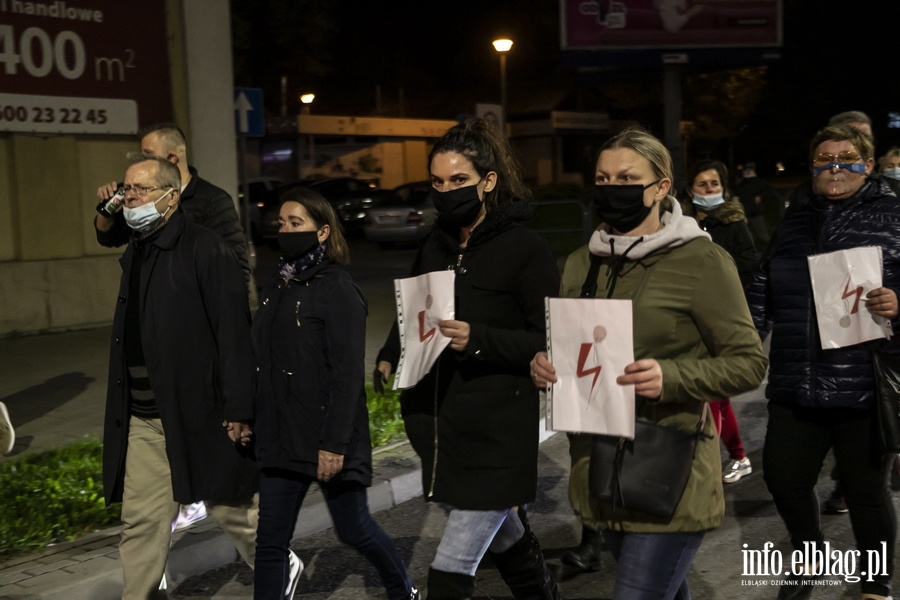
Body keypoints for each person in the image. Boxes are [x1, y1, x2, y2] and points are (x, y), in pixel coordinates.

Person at [531, 128, 767, 600]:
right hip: (600, 465)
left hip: (669, 466)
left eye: (626, 177)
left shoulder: (702, 260)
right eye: (602, 177)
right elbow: (574, 348)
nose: (611, 187)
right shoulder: (581, 262)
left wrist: (671, 377)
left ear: (661, 187)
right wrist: (546, 363)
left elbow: (749, 363)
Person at [373, 119, 561, 599]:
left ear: (489, 181)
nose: (446, 191)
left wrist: (478, 339)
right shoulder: (433, 244)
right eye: (437, 182)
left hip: (498, 430)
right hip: (443, 422)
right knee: (505, 534)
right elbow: (410, 313)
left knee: (450, 570)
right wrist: (389, 355)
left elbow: (546, 339)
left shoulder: (527, 250)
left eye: (458, 181)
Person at [747, 124, 899, 600]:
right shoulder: (794, 217)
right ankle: (809, 557)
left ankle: (876, 583)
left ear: (868, 165)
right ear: (812, 167)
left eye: (847, 158)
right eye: (824, 159)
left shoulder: (894, 213)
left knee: (865, 490)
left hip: (864, 383)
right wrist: (746, 333)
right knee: (783, 478)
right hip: (796, 379)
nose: (836, 167)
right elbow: (763, 282)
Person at [102, 155, 258, 599]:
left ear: (171, 198)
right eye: (127, 189)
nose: (130, 197)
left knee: (232, 511)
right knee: (141, 522)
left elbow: (233, 334)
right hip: (145, 415)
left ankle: (275, 564)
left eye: (141, 190)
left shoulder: (206, 248)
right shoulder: (138, 247)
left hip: (199, 411)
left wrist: (239, 407)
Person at [251, 186, 418, 600]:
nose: (286, 230)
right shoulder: (277, 287)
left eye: (297, 223)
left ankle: (403, 590)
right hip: (282, 434)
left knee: (354, 529)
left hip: (328, 434)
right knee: (270, 542)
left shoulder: (338, 289)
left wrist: (333, 444)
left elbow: (347, 376)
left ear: (323, 232)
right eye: (282, 223)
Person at [94, 123, 251, 286]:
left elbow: (236, 266)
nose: (142, 161)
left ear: (172, 158)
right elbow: (108, 238)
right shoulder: (138, 194)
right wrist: (108, 206)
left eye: (149, 155)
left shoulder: (213, 199)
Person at [683, 159, 759, 484]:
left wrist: (721, 287)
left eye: (715, 185)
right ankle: (736, 456)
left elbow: (750, 266)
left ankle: (712, 464)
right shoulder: (681, 224)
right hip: (687, 319)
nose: (709, 190)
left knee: (712, 392)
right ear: (690, 190)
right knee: (710, 393)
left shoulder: (734, 224)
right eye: (703, 185)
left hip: (720, 319)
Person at [734, 161, 779, 250]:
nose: (747, 172)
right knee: (746, 236)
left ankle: (773, 249)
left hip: (756, 213)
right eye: (746, 170)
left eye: (749, 169)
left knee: (762, 234)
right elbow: (736, 195)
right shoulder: (741, 184)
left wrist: (761, 197)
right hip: (744, 214)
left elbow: (771, 192)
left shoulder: (759, 182)